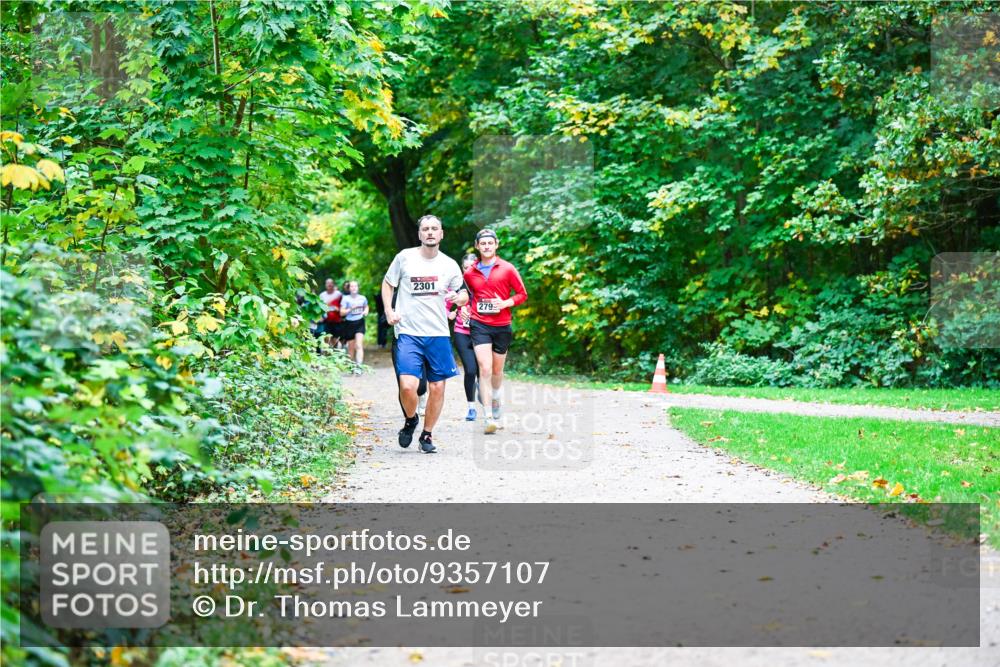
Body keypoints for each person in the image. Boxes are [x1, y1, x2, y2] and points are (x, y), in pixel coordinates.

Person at [382, 214, 468, 454]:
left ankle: (427, 434)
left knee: (438, 388)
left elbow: (464, 294)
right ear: (420, 234)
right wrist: (389, 310)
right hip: (408, 332)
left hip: (438, 334)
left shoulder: (449, 264)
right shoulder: (405, 258)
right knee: (408, 386)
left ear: (441, 234)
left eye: (435, 229)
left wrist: (457, 298)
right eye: (426, 229)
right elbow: (388, 283)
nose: (430, 232)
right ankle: (411, 420)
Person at [463, 228, 528, 434]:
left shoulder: (507, 269)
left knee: (497, 372)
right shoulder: (469, 272)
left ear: (496, 245)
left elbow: (522, 294)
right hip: (479, 324)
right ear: (477, 246)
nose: (487, 246)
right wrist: (464, 309)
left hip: (501, 325)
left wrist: (505, 303)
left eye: (490, 243)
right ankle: (488, 416)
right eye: (483, 244)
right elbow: (467, 296)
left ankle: (497, 397)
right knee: (485, 369)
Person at [449, 253, 480, 421]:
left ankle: (485, 394)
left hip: (482, 333)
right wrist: (450, 313)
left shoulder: (484, 284)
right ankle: (471, 408)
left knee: (483, 371)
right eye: (466, 267)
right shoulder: (457, 284)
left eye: (472, 267)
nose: (469, 270)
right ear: (462, 269)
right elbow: (444, 303)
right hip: (462, 332)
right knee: (470, 370)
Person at [339, 281, 369, 374]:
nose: (354, 288)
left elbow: (366, 306)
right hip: (349, 323)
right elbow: (341, 312)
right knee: (351, 348)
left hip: (359, 322)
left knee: (359, 345)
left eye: (355, 286)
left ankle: (359, 367)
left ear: (358, 287)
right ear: (349, 288)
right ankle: (352, 366)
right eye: (352, 286)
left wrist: (366, 311)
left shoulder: (362, 298)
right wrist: (350, 309)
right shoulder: (345, 299)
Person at [318, 278, 343, 352]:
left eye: (331, 283)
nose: (329, 284)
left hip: (337, 321)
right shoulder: (322, 295)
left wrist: (338, 309)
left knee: (335, 340)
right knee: (327, 339)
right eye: (327, 283)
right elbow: (319, 308)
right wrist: (320, 317)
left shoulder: (338, 294)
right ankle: (328, 355)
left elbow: (343, 305)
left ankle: (336, 354)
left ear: (333, 284)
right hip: (326, 321)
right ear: (325, 285)